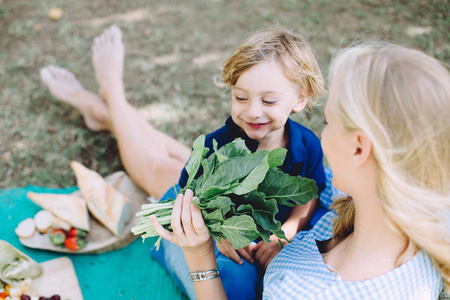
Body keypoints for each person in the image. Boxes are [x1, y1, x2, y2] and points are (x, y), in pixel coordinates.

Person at [40, 25, 329, 299]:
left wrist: (287, 232)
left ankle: (110, 111)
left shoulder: (306, 144)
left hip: (265, 238)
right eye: (240, 97)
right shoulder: (224, 142)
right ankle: (112, 97)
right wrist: (219, 235)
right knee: (158, 167)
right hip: (218, 228)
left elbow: (310, 191)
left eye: (268, 102)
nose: (253, 112)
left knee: (169, 162)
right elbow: (191, 198)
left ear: (300, 99)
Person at [151, 42, 450, 299]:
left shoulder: (296, 290)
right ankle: (115, 109)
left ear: (359, 148)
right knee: (168, 166)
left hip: (243, 252)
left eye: (328, 122)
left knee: (159, 170)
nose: (321, 134)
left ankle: (115, 107)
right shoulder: (427, 214)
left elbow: (309, 193)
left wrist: (199, 257)